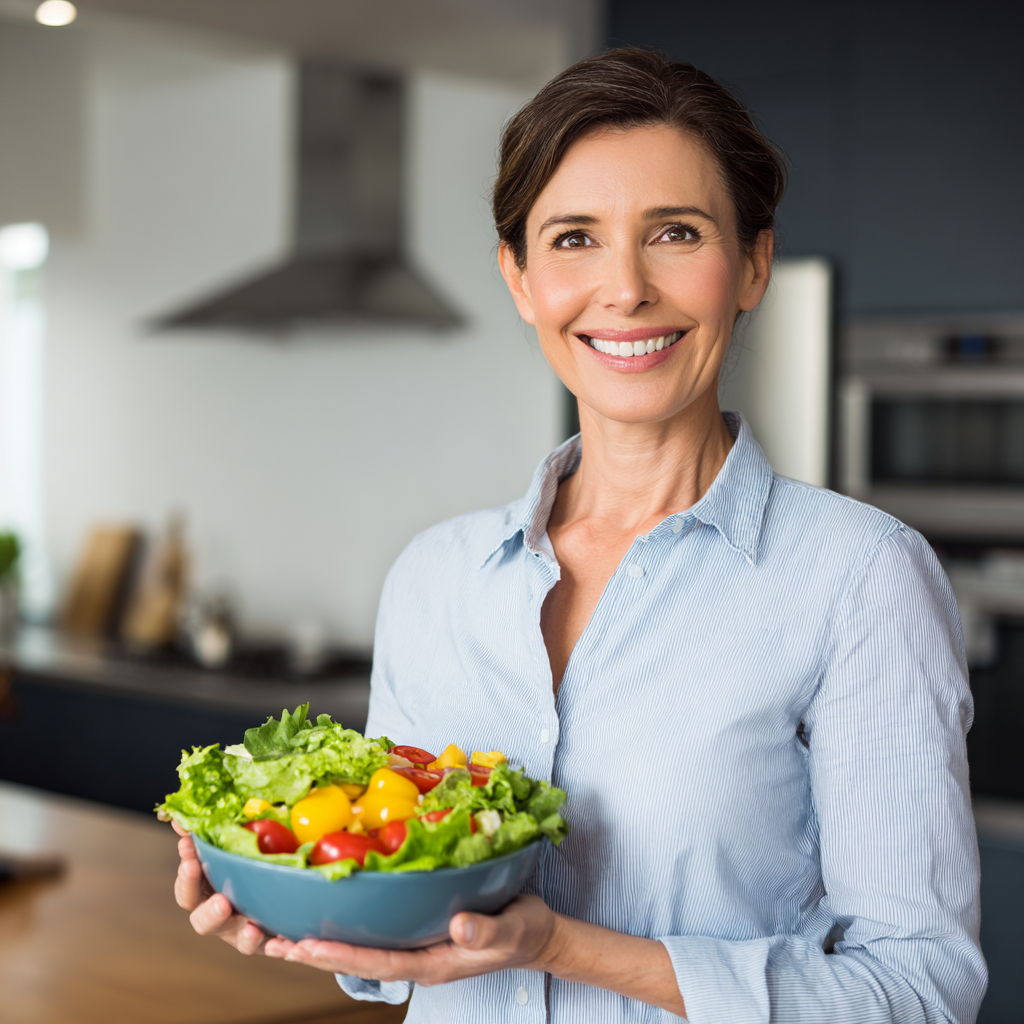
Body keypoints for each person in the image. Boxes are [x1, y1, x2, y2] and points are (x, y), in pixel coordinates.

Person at [173, 48, 986, 1023]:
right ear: (519, 279)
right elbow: (401, 955)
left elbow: (919, 989)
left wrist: (564, 945)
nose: (625, 287)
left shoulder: (859, 579)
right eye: (572, 240)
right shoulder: (434, 578)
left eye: (675, 233)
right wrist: (295, 900)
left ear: (753, 263)